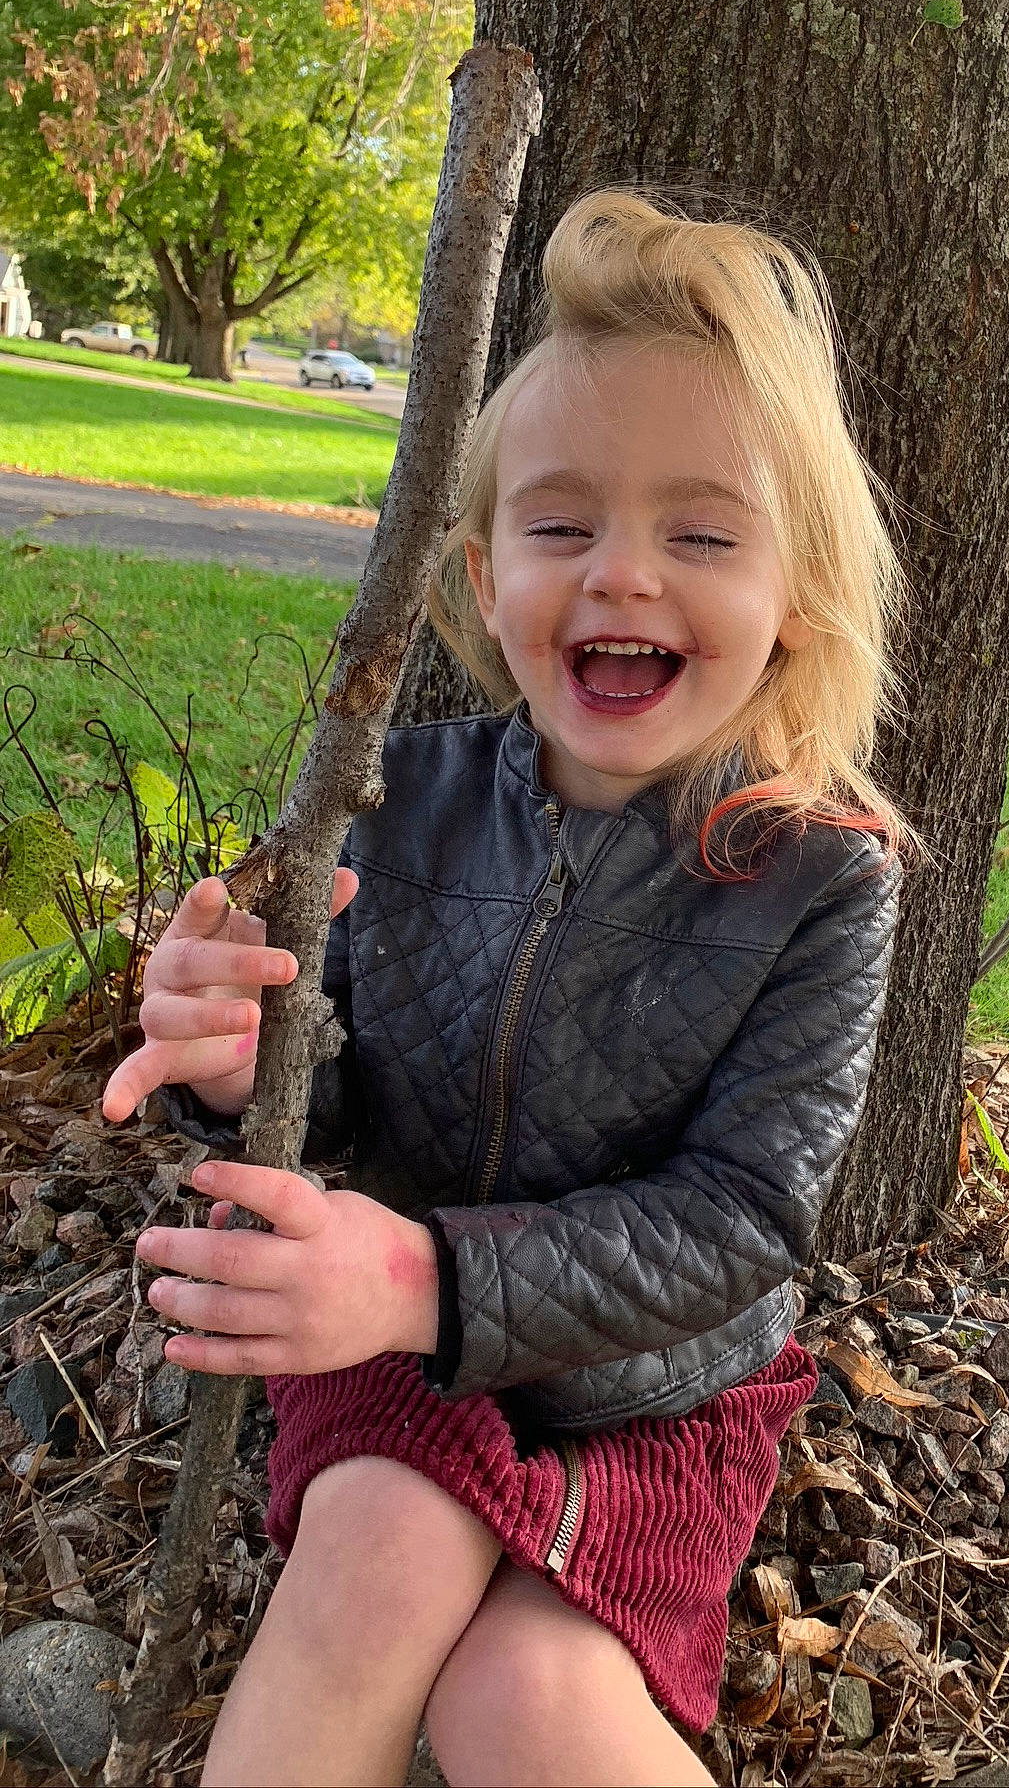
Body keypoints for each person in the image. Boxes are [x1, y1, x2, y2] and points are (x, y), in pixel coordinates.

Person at [102, 188, 909, 1788]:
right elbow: (324, 1093)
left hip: (658, 1396)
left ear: (797, 592)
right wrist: (226, 1049)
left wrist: (423, 1276)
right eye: (561, 525)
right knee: (387, 1551)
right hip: (382, 1351)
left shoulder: (825, 878)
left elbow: (742, 1222)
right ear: (479, 574)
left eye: (699, 533)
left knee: (525, 1704)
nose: (621, 577)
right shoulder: (391, 794)